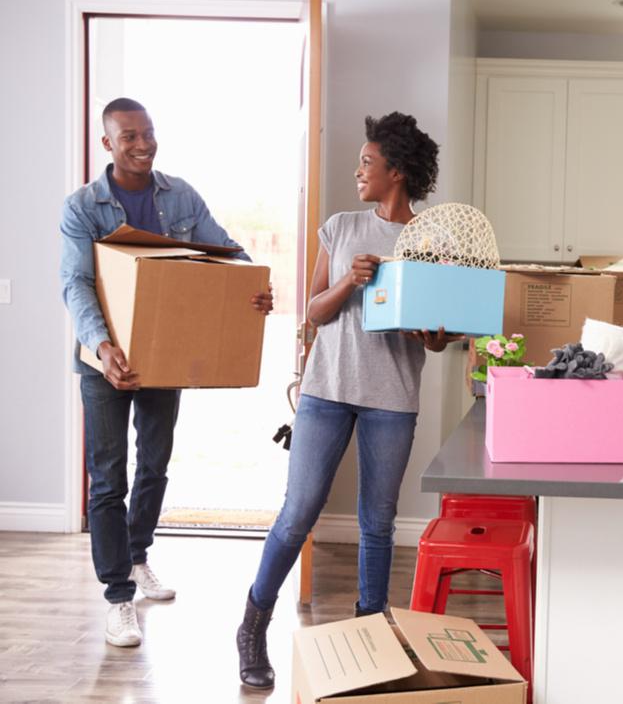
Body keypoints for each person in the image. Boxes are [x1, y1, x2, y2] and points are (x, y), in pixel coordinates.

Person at [236, 112, 458, 690]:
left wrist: (430, 332)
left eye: (367, 162)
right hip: (326, 391)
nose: (358, 171)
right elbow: (311, 312)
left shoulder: (433, 241)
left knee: (378, 523)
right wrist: (347, 283)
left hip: (392, 398)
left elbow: (437, 341)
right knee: (299, 512)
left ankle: (370, 636)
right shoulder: (339, 228)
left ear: (398, 171)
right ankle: (254, 620)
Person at [60, 98, 273, 648]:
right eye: (128, 136)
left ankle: (137, 557)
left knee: (154, 465)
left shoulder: (179, 195)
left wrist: (250, 285)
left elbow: (224, 251)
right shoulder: (84, 206)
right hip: (105, 359)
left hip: (163, 354)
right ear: (107, 143)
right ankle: (116, 597)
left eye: (148, 133)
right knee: (108, 477)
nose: (142, 143)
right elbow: (76, 284)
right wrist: (104, 348)